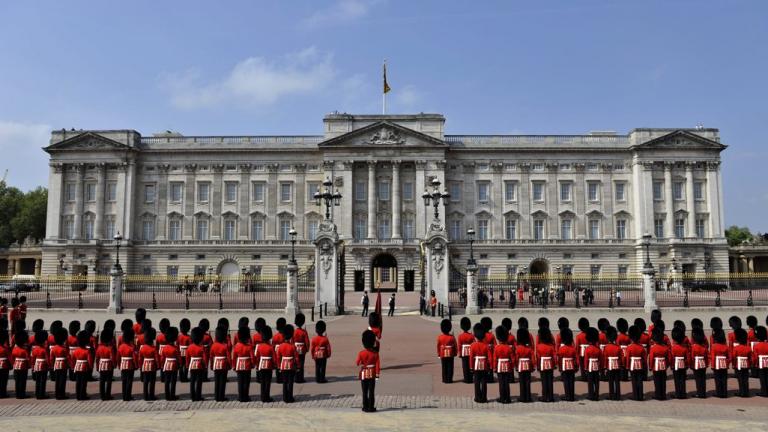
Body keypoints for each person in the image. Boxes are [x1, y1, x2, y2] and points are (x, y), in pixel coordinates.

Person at [357, 330, 380, 413]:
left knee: (364, 391)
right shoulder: (375, 354)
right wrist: (377, 375)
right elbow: (377, 365)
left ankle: (365, 406)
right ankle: (371, 407)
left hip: (364, 373)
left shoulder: (361, 353)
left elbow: (357, 363)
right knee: (371, 391)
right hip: (372, 373)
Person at [469, 323, 491, 403]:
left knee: (477, 381)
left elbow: (471, 357)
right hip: (484, 365)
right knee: (484, 382)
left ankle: (478, 397)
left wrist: (471, 367)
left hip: (476, 365)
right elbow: (489, 358)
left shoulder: (473, 345)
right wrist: (490, 366)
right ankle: (484, 397)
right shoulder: (486, 346)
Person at [276, 324, 298, 403]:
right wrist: (298, 366)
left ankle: (285, 397)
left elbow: (278, 357)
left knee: (285, 382)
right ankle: (290, 397)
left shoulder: (281, 346)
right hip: (291, 365)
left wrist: (279, 366)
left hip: (283, 365)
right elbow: (296, 357)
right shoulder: (292, 346)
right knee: (290, 382)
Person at [232, 325, 254, 402]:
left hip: (239, 365)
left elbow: (234, 357)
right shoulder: (249, 346)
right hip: (247, 366)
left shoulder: (236, 346)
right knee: (246, 382)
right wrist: (253, 364)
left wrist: (234, 366)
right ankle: (246, 396)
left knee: (240, 382)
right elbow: (252, 357)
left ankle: (240, 396)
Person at [493, 325, 514, 404]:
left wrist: (494, 368)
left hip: (499, 366)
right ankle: (507, 398)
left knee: (501, 383)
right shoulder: (509, 348)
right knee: (506, 382)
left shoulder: (497, 348)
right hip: (507, 366)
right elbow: (512, 359)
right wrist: (512, 367)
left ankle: (502, 398)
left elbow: (495, 359)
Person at [649, 325, 670, 400]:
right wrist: (667, 366)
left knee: (657, 381)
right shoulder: (665, 347)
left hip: (656, 366)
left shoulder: (653, 348)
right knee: (663, 381)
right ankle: (663, 395)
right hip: (663, 366)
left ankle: (658, 395)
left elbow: (651, 358)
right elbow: (668, 358)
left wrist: (650, 366)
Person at [626, 325, 647, 401]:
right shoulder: (641, 347)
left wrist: (627, 366)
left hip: (632, 365)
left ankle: (635, 395)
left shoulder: (629, 347)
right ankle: (640, 395)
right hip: (640, 365)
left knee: (634, 381)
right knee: (640, 380)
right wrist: (644, 366)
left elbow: (628, 358)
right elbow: (644, 359)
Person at [186, 327, 208, 401]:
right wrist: (205, 366)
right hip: (199, 366)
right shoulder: (201, 348)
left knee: (192, 381)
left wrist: (187, 365)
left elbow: (187, 357)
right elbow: (204, 358)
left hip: (192, 365)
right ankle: (198, 396)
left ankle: (192, 396)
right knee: (199, 382)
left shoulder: (189, 347)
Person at [255, 325, 275, 402]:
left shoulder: (259, 346)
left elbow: (257, 357)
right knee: (267, 382)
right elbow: (274, 358)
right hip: (269, 366)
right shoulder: (270, 347)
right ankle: (267, 397)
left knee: (262, 382)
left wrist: (257, 365)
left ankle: (263, 397)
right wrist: (275, 365)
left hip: (261, 366)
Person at [210, 326, 230, 402]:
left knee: (217, 381)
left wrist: (211, 365)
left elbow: (211, 357)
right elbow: (228, 357)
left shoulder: (213, 345)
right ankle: (221, 396)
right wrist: (229, 365)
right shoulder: (225, 346)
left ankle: (216, 396)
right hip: (224, 365)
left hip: (216, 364)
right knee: (222, 381)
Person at [71, 330, 93, 400]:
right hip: (84, 367)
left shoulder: (76, 350)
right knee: (83, 382)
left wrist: (73, 366)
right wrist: (90, 367)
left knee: (78, 382)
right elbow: (89, 360)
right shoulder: (87, 351)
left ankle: (78, 395)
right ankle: (82, 395)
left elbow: (73, 360)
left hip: (77, 367)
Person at [160, 327, 181, 401]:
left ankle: (167, 395)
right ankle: (172, 395)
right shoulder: (175, 348)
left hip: (166, 365)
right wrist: (179, 364)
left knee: (167, 381)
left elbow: (162, 358)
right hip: (174, 365)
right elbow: (178, 358)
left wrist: (162, 365)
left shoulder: (165, 348)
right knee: (173, 381)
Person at [117, 327, 138, 401]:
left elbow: (118, 357)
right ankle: (128, 396)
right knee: (129, 381)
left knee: (124, 381)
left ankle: (124, 396)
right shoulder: (131, 347)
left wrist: (119, 365)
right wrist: (136, 365)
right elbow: (134, 358)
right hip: (130, 365)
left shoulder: (120, 347)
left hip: (123, 365)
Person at [557, 328, 578, 401]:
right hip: (572, 366)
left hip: (564, 366)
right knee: (571, 381)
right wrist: (576, 367)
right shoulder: (573, 349)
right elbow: (576, 358)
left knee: (566, 381)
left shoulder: (561, 349)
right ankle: (571, 396)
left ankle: (567, 396)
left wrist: (560, 367)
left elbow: (559, 359)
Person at [139, 327, 159, 401]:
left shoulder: (142, 348)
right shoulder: (153, 348)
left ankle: (145, 396)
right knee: (152, 382)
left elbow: (140, 358)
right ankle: (151, 395)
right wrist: (158, 366)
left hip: (145, 365)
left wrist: (140, 366)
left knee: (145, 381)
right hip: (152, 365)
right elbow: (156, 359)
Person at [50, 328, 70, 400]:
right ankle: (61, 394)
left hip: (56, 365)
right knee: (62, 380)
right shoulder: (64, 349)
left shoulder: (54, 348)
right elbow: (68, 357)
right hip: (63, 365)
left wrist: (52, 365)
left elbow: (52, 358)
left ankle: (57, 394)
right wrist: (69, 364)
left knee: (57, 380)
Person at [95, 329, 115, 401]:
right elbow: (112, 358)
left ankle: (102, 395)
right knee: (109, 380)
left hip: (101, 365)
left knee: (102, 380)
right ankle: (108, 395)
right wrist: (114, 365)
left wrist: (97, 367)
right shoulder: (110, 348)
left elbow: (97, 358)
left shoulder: (99, 348)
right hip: (109, 365)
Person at [603, 326, 623, 401]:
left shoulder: (606, 347)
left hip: (610, 366)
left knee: (611, 381)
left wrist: (605, 367)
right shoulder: (618, 347)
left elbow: (605, 358)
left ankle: (611, 395)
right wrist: (621, 365)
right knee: (617, 381)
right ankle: (618, 395)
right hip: (617, 365)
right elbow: (621, 358)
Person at [537, 328, 556, 402]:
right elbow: (554, 357)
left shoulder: (539, 346)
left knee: (544, 381)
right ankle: (551, 396)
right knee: (550, 381)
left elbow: (538, 357)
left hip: (542, 364)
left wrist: (538, 366)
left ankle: (544, 396)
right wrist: (554, 365)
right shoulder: (551, 346)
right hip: (550, 364)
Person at [670, 326, 689, 399]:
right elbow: (687, 358)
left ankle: (678, 394)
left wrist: (672, 365)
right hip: (683, 364)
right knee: (682, 379)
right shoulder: (684, 348)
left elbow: (671, 357)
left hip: (676, 365)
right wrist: (687, 365)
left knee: (677, 380)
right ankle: (683, 393)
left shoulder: (673, 348)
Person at [516, 328, 534, 403]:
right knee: (527, 381)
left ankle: (522, 397)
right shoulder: (529, 349)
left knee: (522, 381)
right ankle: (528, 397)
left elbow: (517, 358)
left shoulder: (518, 348)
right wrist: (532, 366)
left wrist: (516, 366)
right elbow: (532, 358)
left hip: (521, 365)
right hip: (528, 365)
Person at [583, 327, 602, 401]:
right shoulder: (598, 349)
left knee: (590, 382)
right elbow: (601, 359)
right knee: (596, 382)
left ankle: (591, 395)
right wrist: (600, 367)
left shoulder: (588, 349)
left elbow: (586, 360)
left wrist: (585, 368)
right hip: (597, 367)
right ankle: (596, 395)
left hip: (590, 367)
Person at [732, 328, 752, 397]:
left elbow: (734, 357)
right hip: (746, 364)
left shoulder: (736, 348)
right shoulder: (748, 348)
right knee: (746, 379)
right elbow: (750, 358)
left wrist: (734, 365)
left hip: (739, 364)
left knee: (740, 379)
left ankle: (742, 392)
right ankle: (746, 392)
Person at [710, 329, 730, 398]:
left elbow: (713, 357)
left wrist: (712, 365)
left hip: (716, 364)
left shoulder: (714, 346)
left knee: (718, 379)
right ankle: (724, 392)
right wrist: (726, 364)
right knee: (724, 379)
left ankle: (719, 393)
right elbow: (729, 357)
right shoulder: (726, 347)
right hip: (724, 363)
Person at [30, 330, 49, 399]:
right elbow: (47, 359)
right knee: (43, 381)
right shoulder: (44, 350)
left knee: (37, 381)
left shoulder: (34, 349)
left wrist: (32, 366)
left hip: (37, 366)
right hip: (43, 366)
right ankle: (42, 394)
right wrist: (49, 366)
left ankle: (37, 393)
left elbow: (32, 359)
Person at [11, 329, 30, 399]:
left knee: (17, 381)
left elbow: (12, 358)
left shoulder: (14, 349)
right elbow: (28, 359)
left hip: (16, 367)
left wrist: (13, 364)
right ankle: (22, 394)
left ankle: (17, 394)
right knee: (22, 381)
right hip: (23, 367)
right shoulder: (24, 350)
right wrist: (29, 365)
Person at [436, 319, 457, 384]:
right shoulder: (452, 337)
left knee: (444, 367)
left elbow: (438, 346)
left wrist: (439, 354)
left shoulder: (440, 337)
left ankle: (444, 379)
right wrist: (455, 353)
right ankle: (449, 379)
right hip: (450, 353)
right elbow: (455, 345)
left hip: (443, 352)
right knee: (450, 366)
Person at [690, 327, 709, 398]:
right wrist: (706, 364)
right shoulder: (704, 347)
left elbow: (692, 357)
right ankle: (703, 392)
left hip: (696, 364)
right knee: (703, 379)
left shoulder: (693, 347)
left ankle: (699, 393)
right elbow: (707, 356)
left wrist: (691, 365)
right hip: (703, 363)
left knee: (698, 379)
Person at [293, 313, 310, 384]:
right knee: (301, 364)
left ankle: (296, 377)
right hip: (302, 349)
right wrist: (307, 349)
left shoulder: (294, 331)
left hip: (295, 349)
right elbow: (307, 342)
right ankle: (301, 378)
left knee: (295, 363)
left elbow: (292, 341)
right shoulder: (304, 332)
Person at [457, 317, 474, 384]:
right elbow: (474, 343)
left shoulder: (460, 336)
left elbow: (459, 345)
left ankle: (466, 378)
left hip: (464, 352)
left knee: (465, 366)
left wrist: (460, 353)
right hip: (470, 351)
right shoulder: (471, 335)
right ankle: (470, 378)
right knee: (470, 365)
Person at [753, 326, 768, 397]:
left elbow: (755, 357)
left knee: (762, 378)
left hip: (761, 362)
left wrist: (755, 364)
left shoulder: (756, 346)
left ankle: (764, 391)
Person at [178, 318, 191, 383]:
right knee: (186, 365)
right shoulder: (189, 337)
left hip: (180, 352)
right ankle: (185, 377)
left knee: (180, 365)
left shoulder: (179, 337)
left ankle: (181, 377)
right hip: (187, 352)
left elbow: (177, 345)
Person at [0, 329, 8, 398]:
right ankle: (3, 393)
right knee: (4, 380)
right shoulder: (5, 348)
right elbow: (9, 358)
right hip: (4, 365)